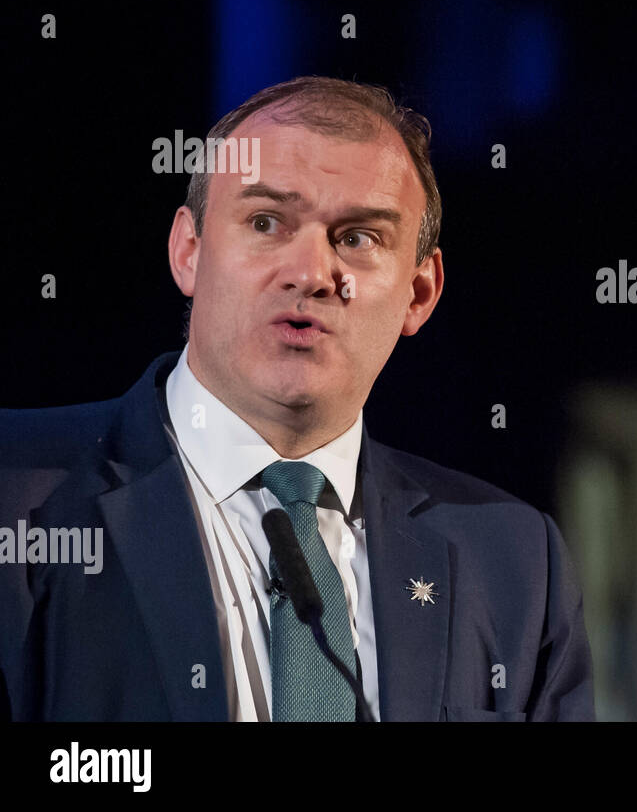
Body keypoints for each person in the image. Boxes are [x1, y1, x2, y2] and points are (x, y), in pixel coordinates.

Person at [0, 76, 595, 721]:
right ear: (188, 252)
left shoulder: (512, 560)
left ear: (419, 293)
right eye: (266, 222)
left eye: (358, 238)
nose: (311, 274)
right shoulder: (18, 492)